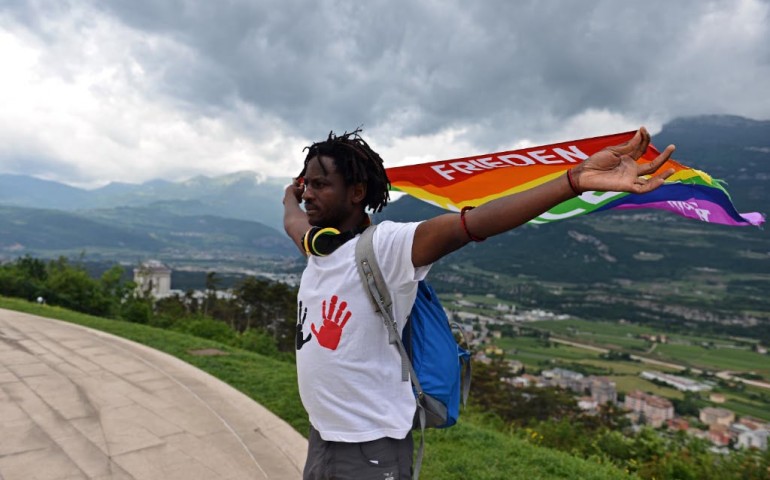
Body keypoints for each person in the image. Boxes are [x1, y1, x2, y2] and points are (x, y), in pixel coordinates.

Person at [283, 128, 675, 479]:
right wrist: (291, 195)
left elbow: (474, 224)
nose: (311, 194)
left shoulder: (386, 247)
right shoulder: (319, 247)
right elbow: (292, 220)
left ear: (356, 192)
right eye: (307, 185)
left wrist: (574, 181)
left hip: (371, 445)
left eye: (321, 185)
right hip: (324, 435)